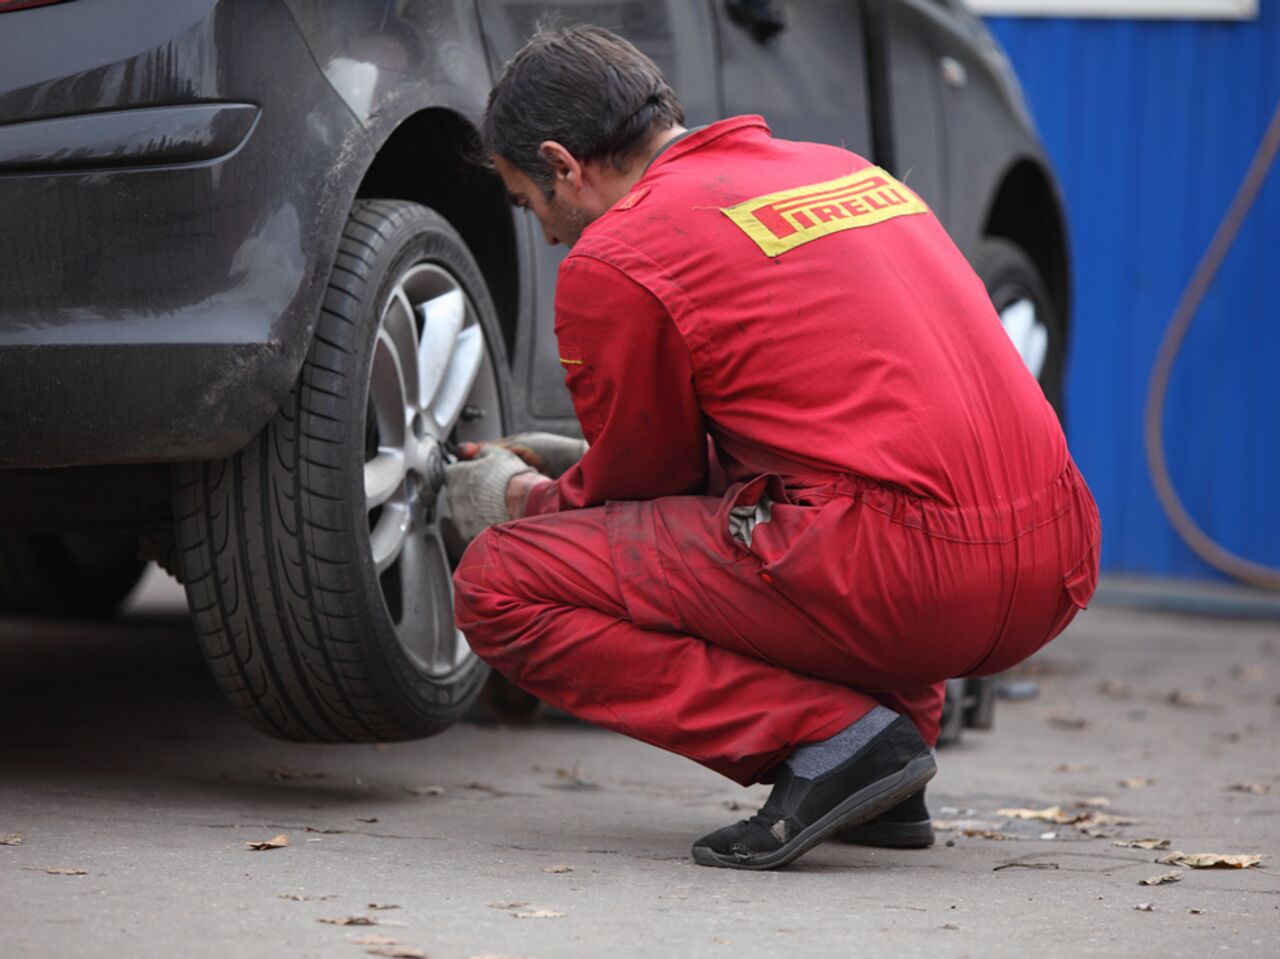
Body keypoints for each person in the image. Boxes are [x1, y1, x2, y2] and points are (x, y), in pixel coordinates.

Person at [445, 24, 1100, 871]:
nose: (546, 234)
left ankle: (831, 742)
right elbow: (839, 427)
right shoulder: (839, 171)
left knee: (500, 581)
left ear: (563, 163)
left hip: (903, 575)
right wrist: (581, 459)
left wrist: (515, 497)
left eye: (530, 203)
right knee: (815, 490)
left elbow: (651, 484)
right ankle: (890, 780)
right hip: (1055, 561)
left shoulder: (620, 249)